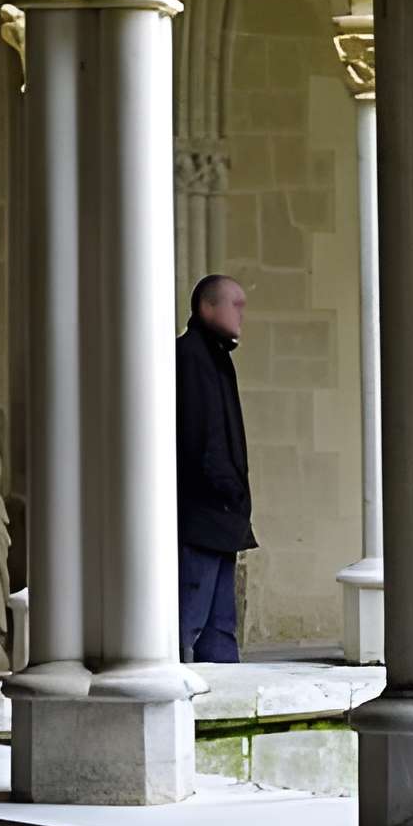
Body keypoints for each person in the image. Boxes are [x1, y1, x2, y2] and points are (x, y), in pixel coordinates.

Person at [174, 274, 253, 663]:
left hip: (221, 515)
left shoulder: (214, 357)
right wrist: (224, 488)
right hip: (204, 512)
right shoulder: (191, 357)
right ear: (207, 308)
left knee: (219, 626)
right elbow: (199, 435)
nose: (242, 314)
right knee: (190, 619)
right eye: (234, 305)